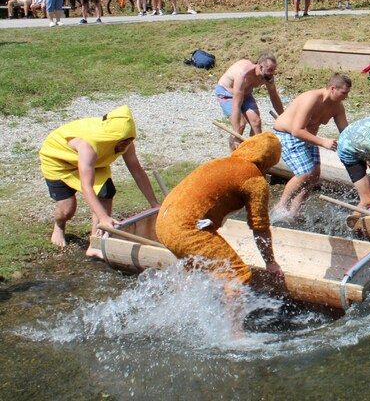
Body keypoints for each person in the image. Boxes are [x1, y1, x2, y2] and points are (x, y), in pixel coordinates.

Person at [156, 132, 285, 297]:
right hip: (185, 230)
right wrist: (271, 262)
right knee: (238, 275)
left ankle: (177, 313)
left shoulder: (221, 162)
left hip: (163, 221)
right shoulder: (254, 181)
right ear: (270, 161)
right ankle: (232, 324)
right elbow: (260, 228)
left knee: (193, 269)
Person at [38, 105, 160, 257]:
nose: (125, 145)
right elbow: (86, 187)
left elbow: (137, 171)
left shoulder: (126, 143)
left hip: (95, 163)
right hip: (60, 163)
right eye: (122, 141)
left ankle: (94, 244)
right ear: (110, 137)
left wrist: (154, 204)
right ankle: (59, 226)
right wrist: (103, 217)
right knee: (67, 210)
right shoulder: (87, 145)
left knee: (106, 191)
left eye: (129, 140)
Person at [270, 74, 351, 222]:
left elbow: (346, 133)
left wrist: (360, 153)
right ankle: (280, 207)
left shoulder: (337, 107)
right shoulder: (311, 99)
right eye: (344, 93)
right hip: (288, 134)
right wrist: (322, 142)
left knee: (314, 175)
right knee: (305, 173)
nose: (346, 97)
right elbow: (296, 130)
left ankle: (295, 211)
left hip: (307, 137)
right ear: (332, 89)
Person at [216, 53, 285, 149]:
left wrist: (283, 117)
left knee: (256, 122)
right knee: (240, 125)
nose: (272, 73)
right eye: (270, 70)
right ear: (260, 67)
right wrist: (236, 134)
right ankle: (234, 154)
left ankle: (254, 152)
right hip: (227, 93)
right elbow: (236, 105)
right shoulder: (243, 75)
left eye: (274, 70)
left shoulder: (268, 77)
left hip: (246, 94)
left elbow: (274, 96)